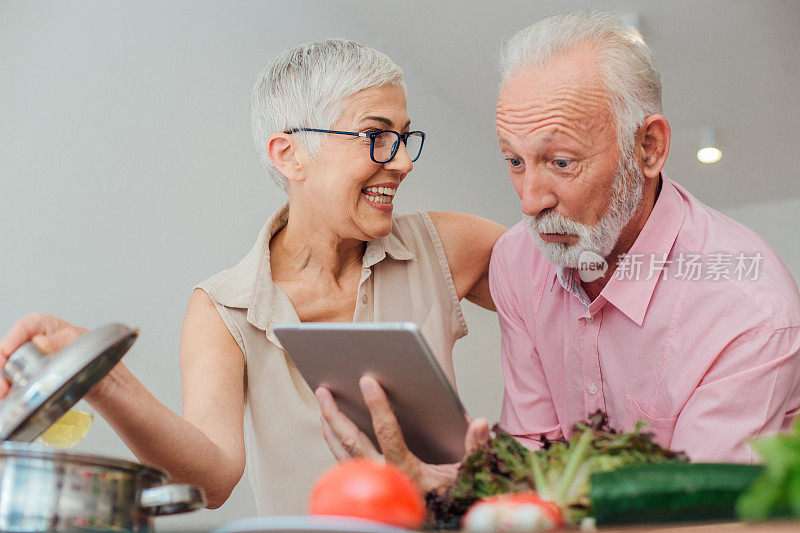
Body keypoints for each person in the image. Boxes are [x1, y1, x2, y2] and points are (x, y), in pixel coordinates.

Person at [0, 39, 505, 514]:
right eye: (375, 136)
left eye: (403, 137)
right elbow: (212, 479)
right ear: (288, 154)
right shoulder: (223, 307)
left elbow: (574, 294)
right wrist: (105, 379)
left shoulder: (444, 246)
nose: (402, 161)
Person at [317, 11, 800, 493]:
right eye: (514, 161)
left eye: (562, 161)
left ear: (649, 147)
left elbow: (692, 517)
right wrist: (462, 480)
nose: (530, 202)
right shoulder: (517, 262)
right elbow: (536, 453)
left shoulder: (750, 315)